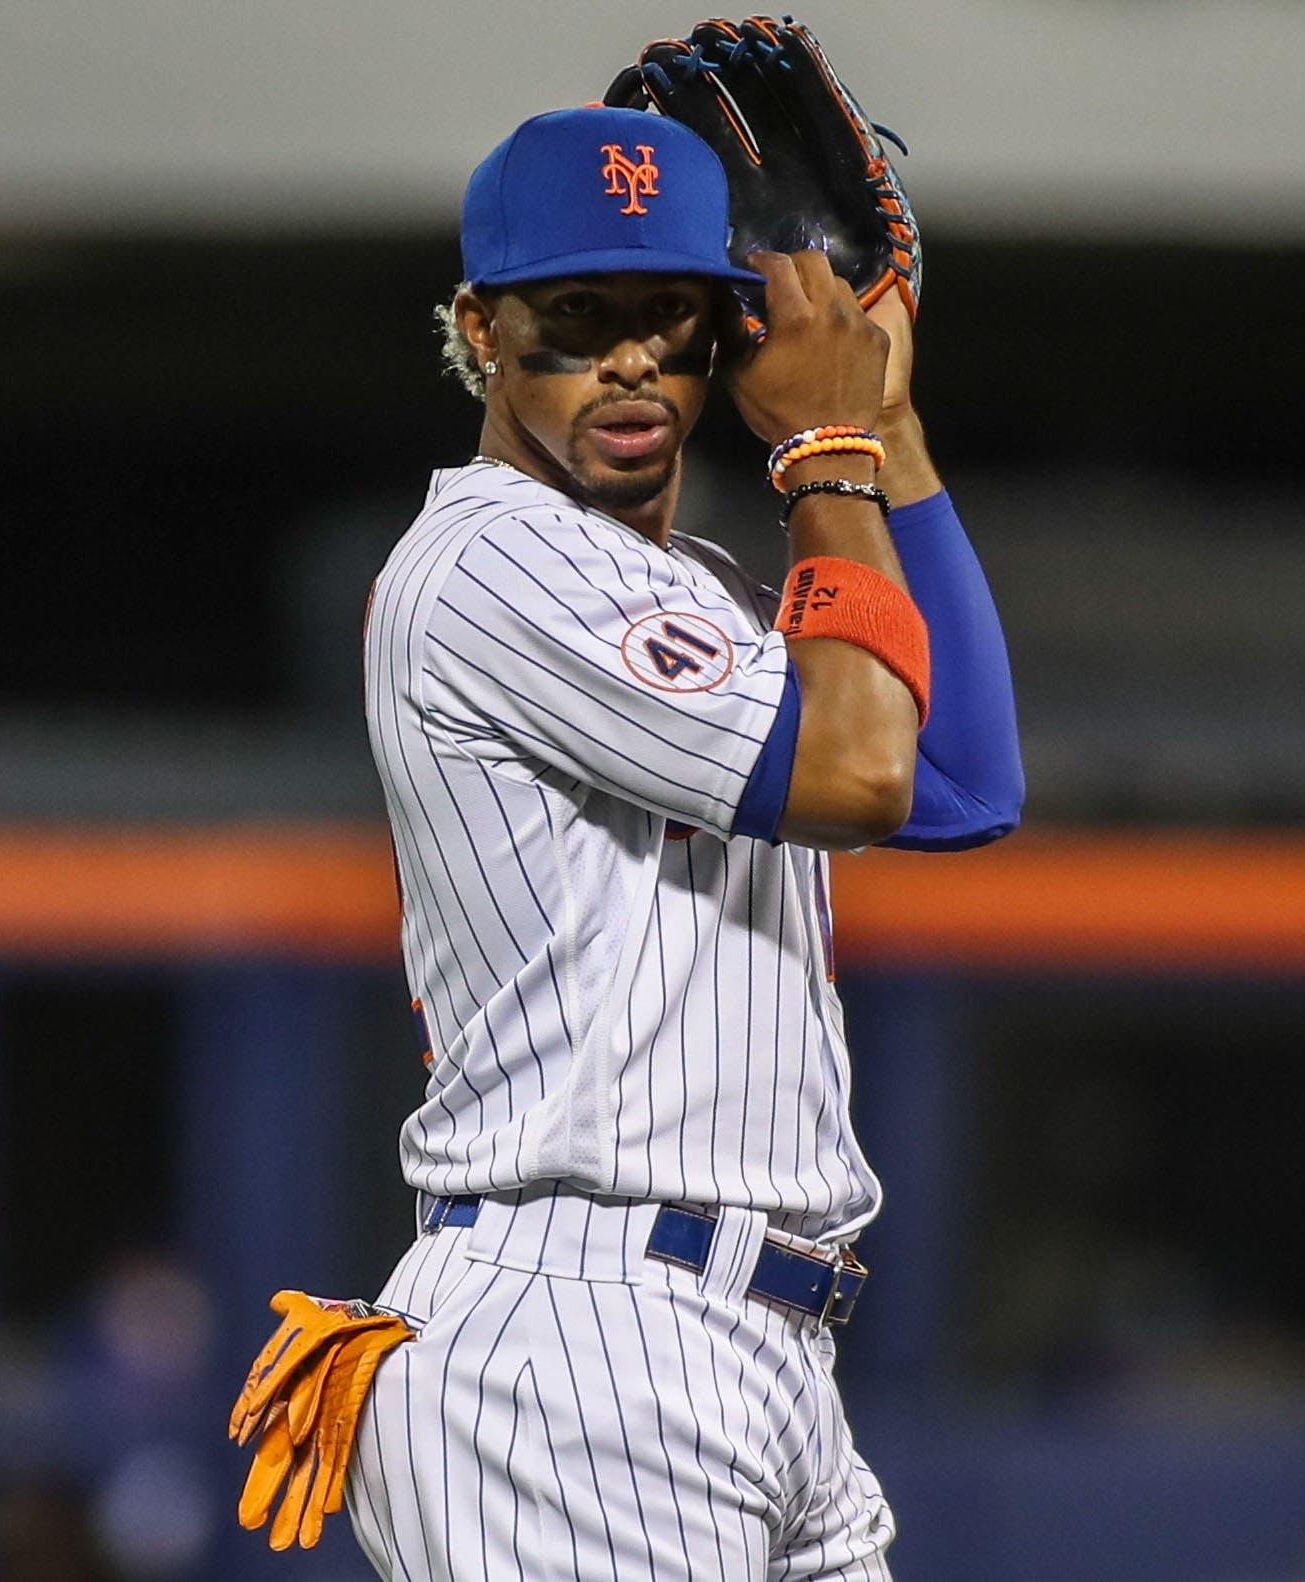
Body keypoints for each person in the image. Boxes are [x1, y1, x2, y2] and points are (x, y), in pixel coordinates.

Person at [346, 104, 1022, 1580]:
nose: (633, 357)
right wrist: (832, 448)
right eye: (578, 317)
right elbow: (854, 770)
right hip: (576, 1345)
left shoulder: (704, 586)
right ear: (482, 328)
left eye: (673, 315)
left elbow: (959, 779)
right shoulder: (487, 559)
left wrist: (887, 429)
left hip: (757, 1352)